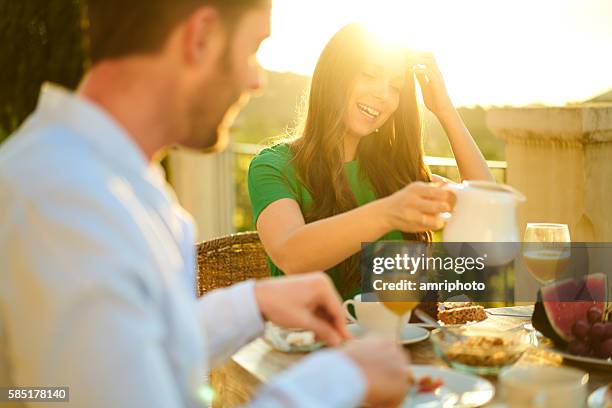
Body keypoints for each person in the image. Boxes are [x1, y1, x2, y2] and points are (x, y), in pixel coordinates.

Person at [0, 2, 412, 407]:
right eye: (252, 49)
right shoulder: (65, 202)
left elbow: (141, 347)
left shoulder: (113, 176)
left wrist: (253, 303)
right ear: (201, 37)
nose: (256, 80)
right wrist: (342, 380)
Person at [248, 23, 493, 299]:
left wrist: (445, 110)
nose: (383, 94)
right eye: (369, 74)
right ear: (333, 77)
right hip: (318, 341)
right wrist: (388, 211)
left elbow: (486, 206)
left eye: (395, 86)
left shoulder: (396, 174)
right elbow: (291, 254)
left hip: (408, 338)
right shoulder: (274, 166)